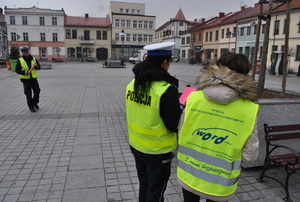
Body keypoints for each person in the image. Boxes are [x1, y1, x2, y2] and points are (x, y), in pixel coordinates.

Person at [177, 52, 259, 202]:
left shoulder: (194, 98)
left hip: (189, 172)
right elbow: (250, 156)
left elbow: (181, 131)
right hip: (220, 183)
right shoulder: (249, 110)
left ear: (217, 68)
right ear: (245, 73)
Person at [125, 42, 182, 202]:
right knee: (156, 192)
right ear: (165, 62)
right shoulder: (165, 89)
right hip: (158, 151)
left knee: (145, 185)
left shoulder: (132, 84)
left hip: (137, 146)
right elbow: (173, 124)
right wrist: (179, 109)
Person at [16, 46, 41, 112]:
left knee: (37, 91)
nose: (26, 53)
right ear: (22, 53)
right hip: (25, 79)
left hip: (33, 78)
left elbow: (39, 67)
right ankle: (31, 107)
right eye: (24, 52)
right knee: (28, 93)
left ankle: (35, 102)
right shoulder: (20, 60)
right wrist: (25, 72)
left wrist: (36, 66)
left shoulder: (33, 58)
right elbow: (17, 70)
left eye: (27, 51)